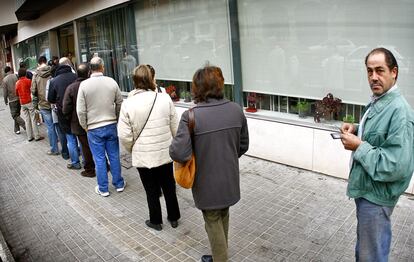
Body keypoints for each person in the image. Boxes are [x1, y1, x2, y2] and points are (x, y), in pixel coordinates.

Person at [339, 47, 414, 262]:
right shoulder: (379, 101)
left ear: (394, 72)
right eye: (369, 71)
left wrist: (358, 146)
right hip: (368, 192)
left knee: (371, 255)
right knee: (366, 249)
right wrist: (356, 129)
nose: (374, 77)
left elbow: (396, 166)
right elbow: (379, 137)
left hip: (377, 198)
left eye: (380, 70)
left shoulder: (400, 111)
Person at [169, 65, 249, 262]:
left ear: (197, 88)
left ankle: (220, 257)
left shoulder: (192, 116)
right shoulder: (235, 110)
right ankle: (219, 252)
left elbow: (178, 152)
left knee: (212, 219)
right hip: (229, 177)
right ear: (220, 85)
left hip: (206, 181)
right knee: (223, 214)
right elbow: (243, 145)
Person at [118, 65, 180, 231]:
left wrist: (133, 148)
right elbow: (176, 127)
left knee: (151, 189)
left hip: (143, 156)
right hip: (164, 153)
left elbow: (124, 135)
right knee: (169, 186)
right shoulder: (164, 98)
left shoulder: (128, 104)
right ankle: (174, 218)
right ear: (151, 79)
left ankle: (156, 221)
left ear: (135, 80)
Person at [77, 56, 125, 197]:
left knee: (99, 159)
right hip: (110, 124)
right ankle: (119, 184)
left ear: (90, 69)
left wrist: (85, 126)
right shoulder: (111, 82)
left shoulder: (84, 85)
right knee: (114, 156)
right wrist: (116, 118)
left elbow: (80, 110)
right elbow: (120, 102)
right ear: (103, 67)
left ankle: (103, 188)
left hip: (93, 127)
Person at [62, 63, 96, 177]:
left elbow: (66, 108)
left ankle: (90, 169)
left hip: (78, 123)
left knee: (85, 147)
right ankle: (104, 165)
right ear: (89, 73)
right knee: (97, 145)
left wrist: (70, 118)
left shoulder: (71, 87)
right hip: (95, 120)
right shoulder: (93, 85)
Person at [48, 57, 80, 168]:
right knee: (81, 137)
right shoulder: (76, 76)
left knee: (70, 138)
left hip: (63, 113)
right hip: (77, 111)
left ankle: (75, 162)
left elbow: (51, 99)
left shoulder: (54, 81)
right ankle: (86, 162)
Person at [31, 56, 62, 155]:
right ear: (45, 61)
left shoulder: (36, 75)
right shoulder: (52, 71)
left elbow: (33, 90)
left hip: (43, 104)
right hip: (54, 103)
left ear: (39, 63)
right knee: (58, 125)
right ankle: (65, 149)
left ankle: (54, 149)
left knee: (50, 127)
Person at [15, 68, 44, 142]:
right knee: (33, 119)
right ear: (25, 74)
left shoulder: (17, 83)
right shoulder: (28, 81)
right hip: (29, 101)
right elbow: (32, 90)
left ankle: (29, 137)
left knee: (27, 120)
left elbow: (16, 94)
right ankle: (37, 136)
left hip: (22, 103)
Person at [2, 66, 26, 134]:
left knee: (14, 115)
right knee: (17, 114)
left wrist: (5, 100)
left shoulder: (4, 80)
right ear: (10, 70)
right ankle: (16, 129)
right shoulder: (16, 76)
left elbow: (5, 92)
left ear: (5, 72)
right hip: (18, 98)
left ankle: (24, 125)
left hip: (12, 100)